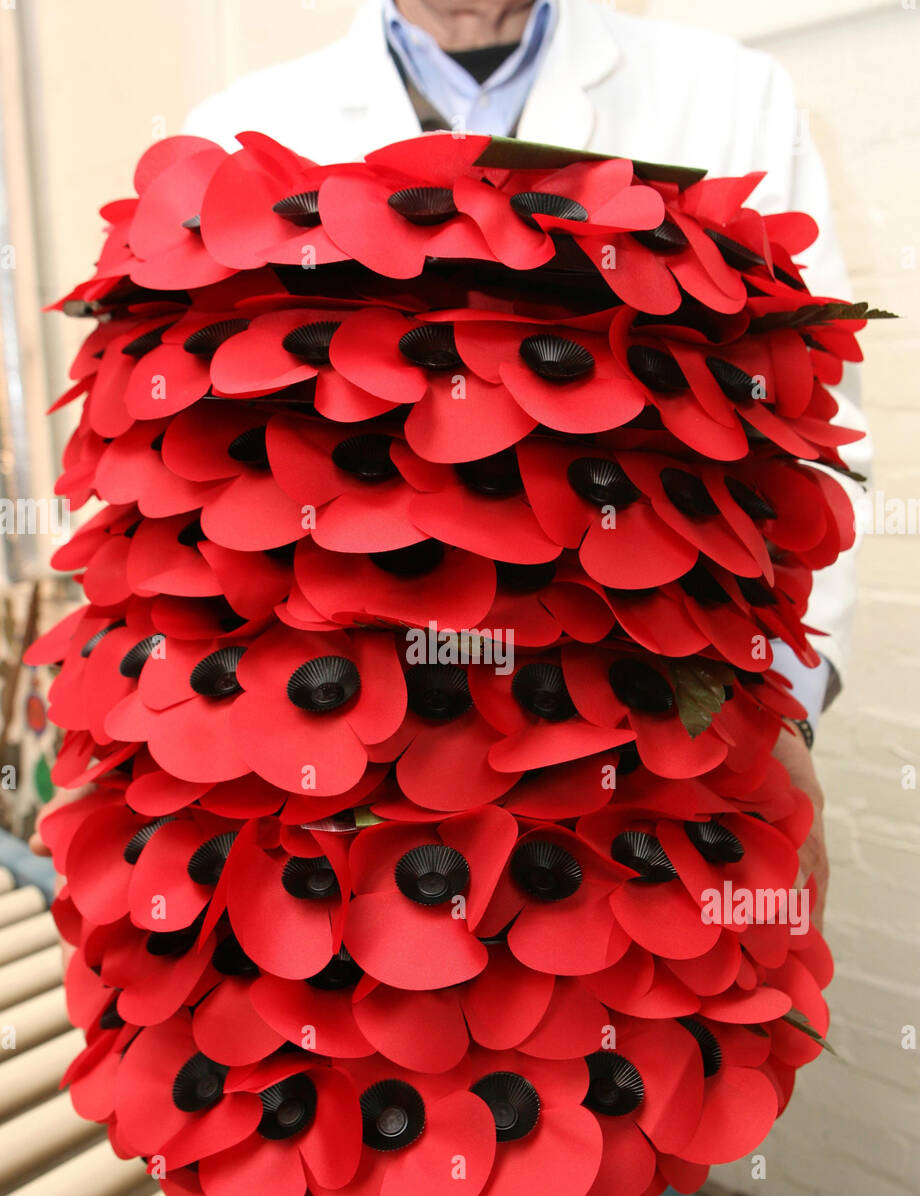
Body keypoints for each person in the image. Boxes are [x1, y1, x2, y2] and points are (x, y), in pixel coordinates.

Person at [38, 1, 873, 934]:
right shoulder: (237, 127)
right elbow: (158, 472)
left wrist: (782, 718)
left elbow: (805, 436)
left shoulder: (727, 92)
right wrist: (115, 734)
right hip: (309, 776)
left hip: (634, 767)